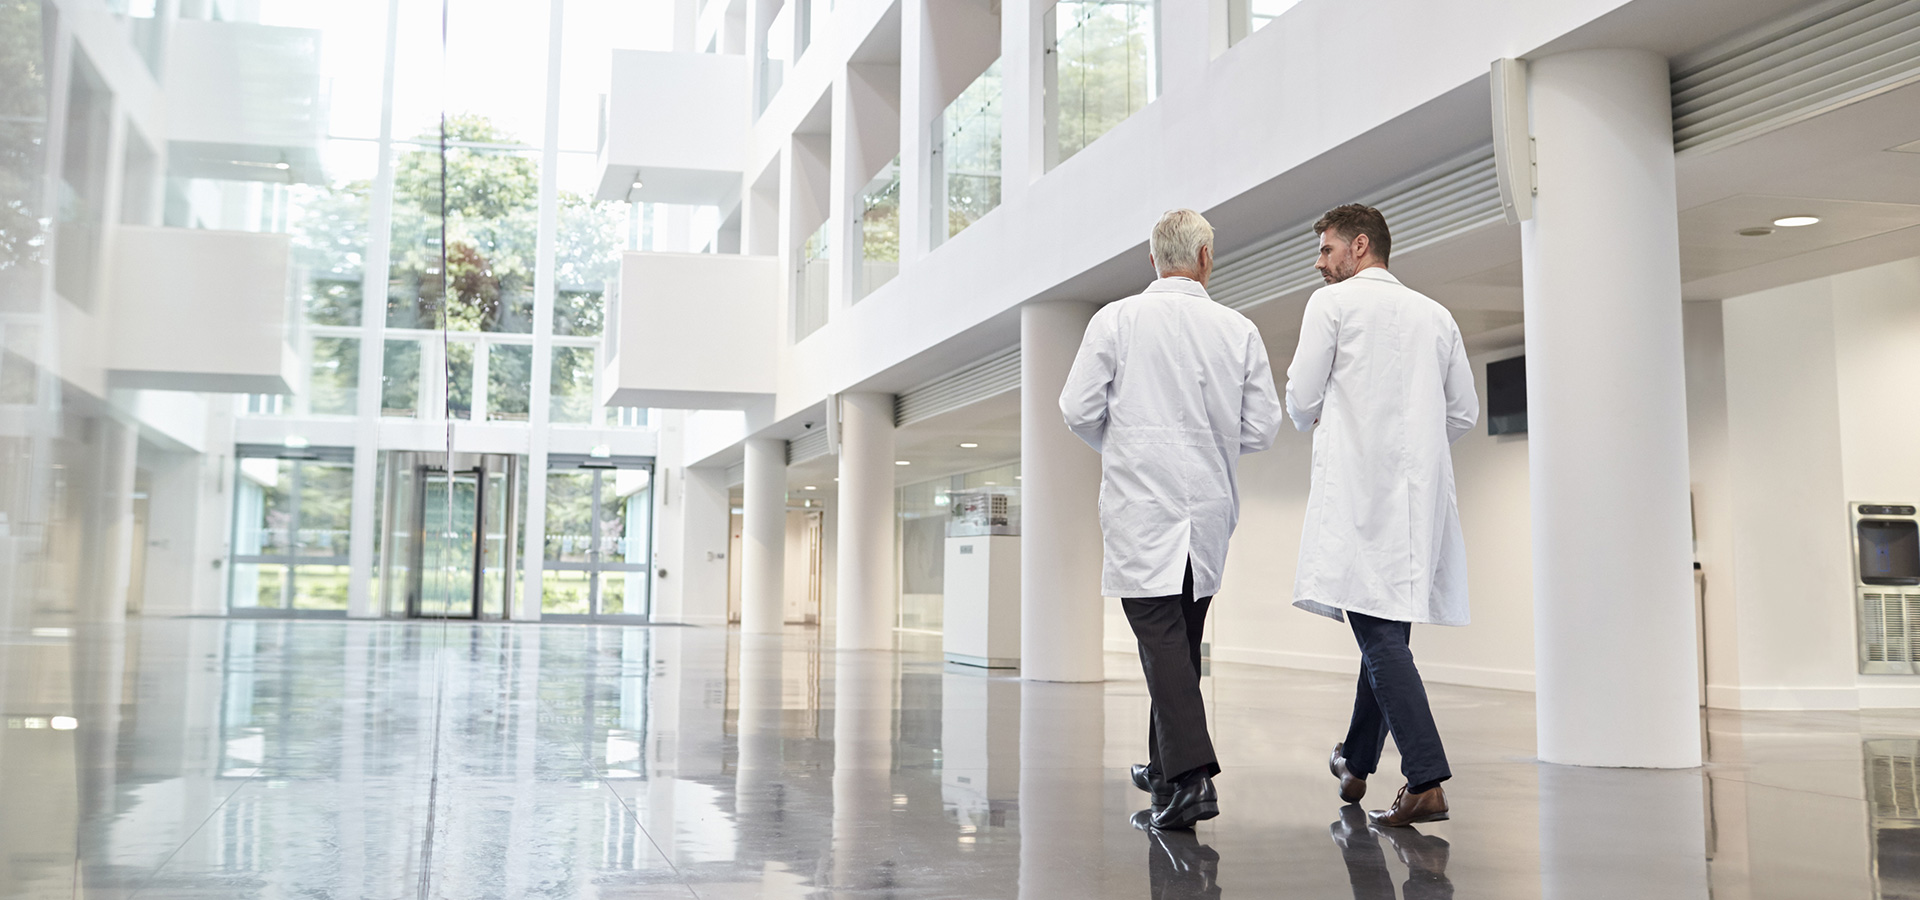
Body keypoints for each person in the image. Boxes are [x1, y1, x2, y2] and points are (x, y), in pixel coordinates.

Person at [1061, 208, 1284, 830]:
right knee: (1178, 643)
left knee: (1163, 644)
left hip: (1142, 509)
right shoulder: (1237, 329)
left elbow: (1077, 409)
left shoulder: (1117, 320)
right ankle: (1164, 771)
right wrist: (1207, 442)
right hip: (1207, 513)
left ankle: (1191, 780)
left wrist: (1128, 444)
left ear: (1151, 258)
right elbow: (1262, 427)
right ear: (1207, 258)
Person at [1284, 203, 1477, 827]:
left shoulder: (1332, 307)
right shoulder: (1436, 314)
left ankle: (1425, 779)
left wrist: (1324, 416)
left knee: (1378, 637)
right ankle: (1356, 759)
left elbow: (1300, 398)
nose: (1320, 263)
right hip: (1417, 504)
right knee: (1386, 634)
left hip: (1359, 495)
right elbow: (1464, 413)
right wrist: (1416, 443)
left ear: (1359, 246)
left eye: (1325, 249)